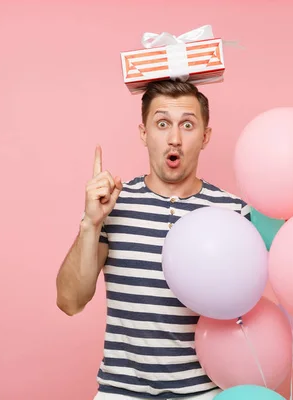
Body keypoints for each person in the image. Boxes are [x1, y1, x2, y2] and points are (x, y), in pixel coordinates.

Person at [56, 80, 251, 399]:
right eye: (162, 124)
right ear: (144, 133)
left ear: (205, 137)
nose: (174, 139)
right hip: (121, 391)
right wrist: (91, 223)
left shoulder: (234, 212)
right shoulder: (112, 206)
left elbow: (247, 312)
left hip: (204, 393)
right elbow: (69, 302)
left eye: (187, 125)